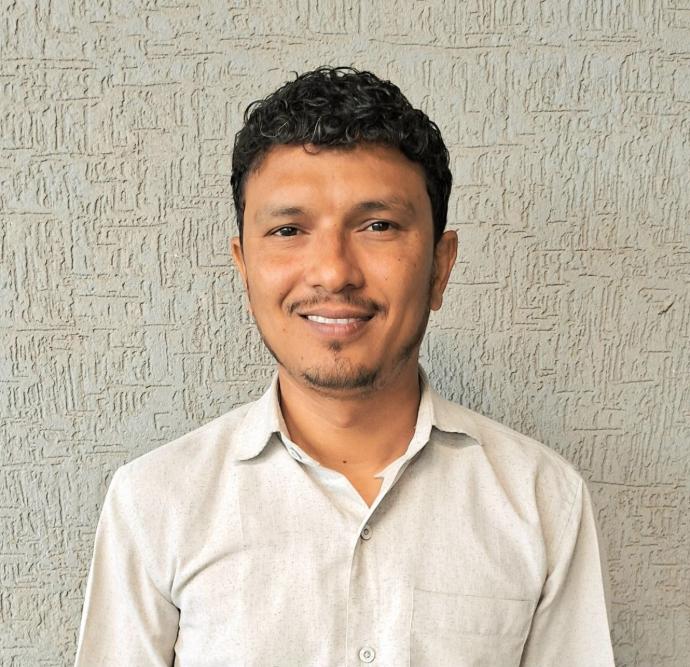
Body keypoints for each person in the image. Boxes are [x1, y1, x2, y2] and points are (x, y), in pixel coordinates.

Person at [75, 66, 615, 666]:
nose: (333, 272)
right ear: (244, 266)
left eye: (378, 226)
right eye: (288, 229)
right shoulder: (155, 502)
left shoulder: (542, 500)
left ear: (440, 267)